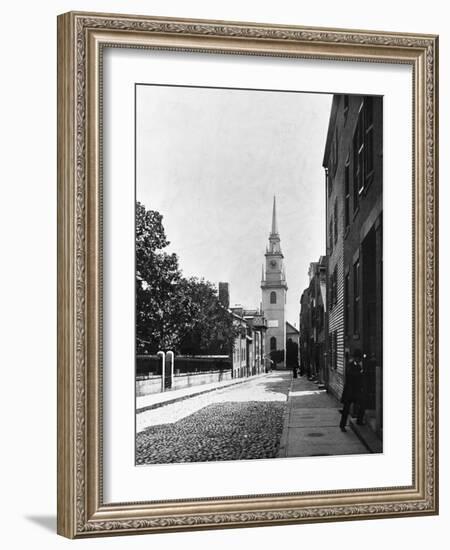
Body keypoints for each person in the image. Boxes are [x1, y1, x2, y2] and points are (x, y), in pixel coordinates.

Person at [339, 349, 364, 432]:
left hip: (356, 391)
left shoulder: (358, 366)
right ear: (356, 358)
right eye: (359, 358)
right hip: (350, 391)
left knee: (362, 405)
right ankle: (342, 425)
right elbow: (351, 375)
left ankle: (359, 421)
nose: (360, 359)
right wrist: (360, 373)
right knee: (346, 410)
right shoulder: (351, 365)